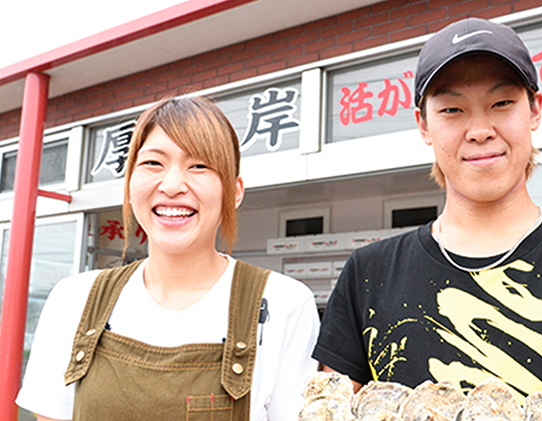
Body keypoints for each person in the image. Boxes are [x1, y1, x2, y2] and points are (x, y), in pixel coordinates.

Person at [312, 17, 542, 421]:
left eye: (501, 103)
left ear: (534, 109)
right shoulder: (369, 274)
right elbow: (329, 410)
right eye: (452, 109)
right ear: (423, 125)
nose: (480, 130)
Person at [16, 96, 320, 420]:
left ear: (234, 191)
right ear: (130, 184)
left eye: (199, 166)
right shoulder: (73, 299)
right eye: (153, 164)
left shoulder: (284, 304)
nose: (172, 185)